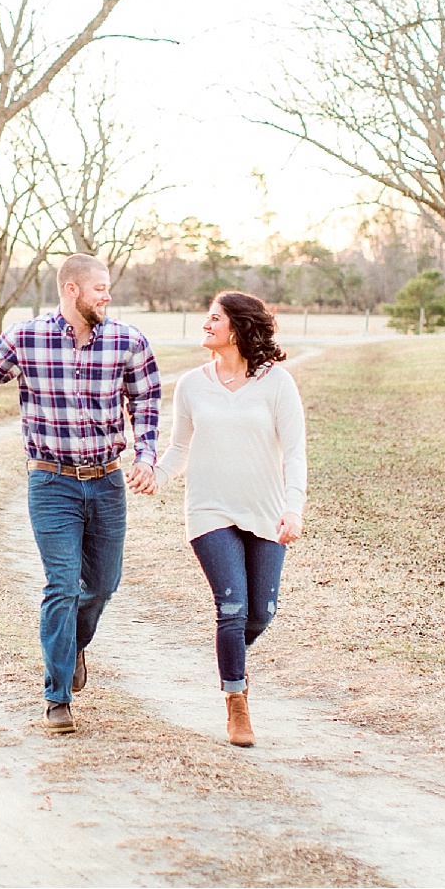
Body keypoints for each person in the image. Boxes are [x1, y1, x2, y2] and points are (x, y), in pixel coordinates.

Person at [0, 253, 160, 734]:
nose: (107, 296)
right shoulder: (27, 337)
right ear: (72, 289)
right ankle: (57, 696)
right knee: (62, 584)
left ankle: (73, 643)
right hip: (51, 483)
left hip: (107, 481)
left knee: (104, 584)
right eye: (99, 288)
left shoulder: (127, 341)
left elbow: (147, 400)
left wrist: (146, 455)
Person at [152, 290, 305, 747]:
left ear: (237, 328)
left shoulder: (277, 384)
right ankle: (236, 703)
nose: (206, 324)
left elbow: (295, 453)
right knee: (232, 608)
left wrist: (293, 508)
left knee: (261, 613)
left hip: (265, 510)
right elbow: (179, 448)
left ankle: (230, 652)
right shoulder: (191, 385)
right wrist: (154, 475)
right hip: (209, 509)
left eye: (214, 318)